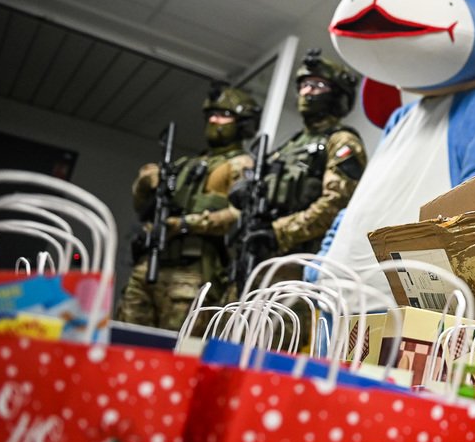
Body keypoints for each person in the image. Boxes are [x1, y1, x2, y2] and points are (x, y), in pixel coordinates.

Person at [116, 85, 259, 331]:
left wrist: (183, 225)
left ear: (242, 124)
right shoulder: (185, 165)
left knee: (175, 351)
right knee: (123, 339)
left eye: (224, 115)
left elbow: (239, 217)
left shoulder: (241, 165)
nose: (215, 121)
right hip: (150, 264)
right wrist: (145, 183)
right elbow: (142, 208)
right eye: (211, 115)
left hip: (193, 273)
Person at [234, 49, 366, 284]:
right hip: (262, 257)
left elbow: (336, 203)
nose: (307, 91)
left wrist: (279, 232)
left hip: (299, 264)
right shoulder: (289, 146)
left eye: (317, 85)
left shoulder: (341, 141)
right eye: (304, 85)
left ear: (336, 94)